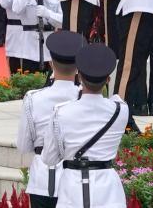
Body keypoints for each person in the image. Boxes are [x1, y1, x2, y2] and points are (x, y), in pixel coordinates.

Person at [41, 43, 129, 208]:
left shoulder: (61, 112)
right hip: (108, 188)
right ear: (108, 80)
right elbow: (116, 98)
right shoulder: (121, 110)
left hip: (72, 187)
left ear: (79, 77)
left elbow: (49, 158)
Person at [17, 31, 86, 208]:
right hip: (78, 181)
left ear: (50, 64)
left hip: (43, 180)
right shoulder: (84, 99)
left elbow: (24, 146)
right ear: (79, 66)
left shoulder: (33, 98)